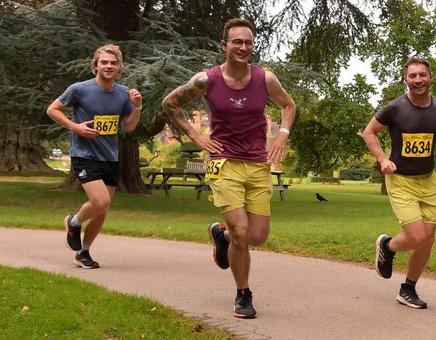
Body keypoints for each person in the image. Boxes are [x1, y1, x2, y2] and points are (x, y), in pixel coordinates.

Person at [161, 18, 295, 320]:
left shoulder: (266, 79)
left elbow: (288, 105)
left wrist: (283, 135)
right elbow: (170, 103)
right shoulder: (206, 80)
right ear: (224, 46)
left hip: (258, 164)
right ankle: (243, 293)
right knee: (242, 231)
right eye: (237, 42)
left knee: (257, 236)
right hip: (224, 164)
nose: (243, 47)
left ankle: (221, 237)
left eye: (248, 42)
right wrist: (195, 135)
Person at [361, 56, 436, 310]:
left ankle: (408, 289)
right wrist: (382, 159)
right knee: (417, 236)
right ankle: (387, 246)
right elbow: (369, 132)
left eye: (422, 75)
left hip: (428, 181)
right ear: (405, 79)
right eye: (412, 76)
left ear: (430, 78)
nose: (418, 80)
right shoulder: (394, 108)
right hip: (401, 180)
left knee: (427, 239)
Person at [46, 43, 142, 269]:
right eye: (104, 62)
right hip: (84, 153)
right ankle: (74, 221)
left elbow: (128, 127)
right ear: (95, 65)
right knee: (101, 201)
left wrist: (137, 107)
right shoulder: (79, 89)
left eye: (113, 63)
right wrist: (75, 127)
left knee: (102, 208)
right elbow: (53, 109)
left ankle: (83, 252)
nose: (109, 66)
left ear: (119, 67)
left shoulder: (123, 94)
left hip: (110, 156)